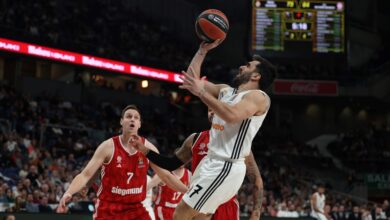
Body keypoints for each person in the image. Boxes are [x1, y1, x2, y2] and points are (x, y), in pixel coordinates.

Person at [174, 39, 275, 219]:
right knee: (199, 217)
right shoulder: (226, 91)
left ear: (256, 76)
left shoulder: (259, 97)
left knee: (181, 214)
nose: (242, 67)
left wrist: (201, 93)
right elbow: (192, 81)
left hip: (226, 165)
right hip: (211, 162)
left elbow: (232, 115)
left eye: (248, 66)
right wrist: (201, 51)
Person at [56, 105, 188, 220]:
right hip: (109, 209)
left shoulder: (148, 148)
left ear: (140, 124)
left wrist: (189, 191)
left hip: (136, 208)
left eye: (136, 117)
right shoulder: (108, 147)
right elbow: (85, 174)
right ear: (121, 121)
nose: (132, 119)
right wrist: (69, 192)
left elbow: (167, 176)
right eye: (128, 116)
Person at [131, 109, 264, 220]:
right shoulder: (195, 139)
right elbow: (170, 164)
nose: (212, 111)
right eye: (209, 109)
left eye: (216, 108)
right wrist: (145, 150)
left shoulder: (239, 143)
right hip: (198, 200)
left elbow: (256, 178)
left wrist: (256, 212)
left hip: (225, 203)